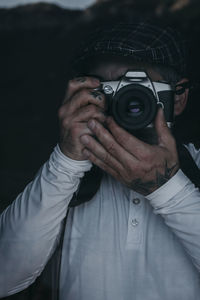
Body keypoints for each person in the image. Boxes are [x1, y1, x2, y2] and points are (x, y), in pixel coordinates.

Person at [1, 18, 200, 300]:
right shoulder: (69, 180)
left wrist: (168, 188)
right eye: (112, 90)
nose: (130, 104)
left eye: (142, 90)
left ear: (178, 99)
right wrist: (66, 161)